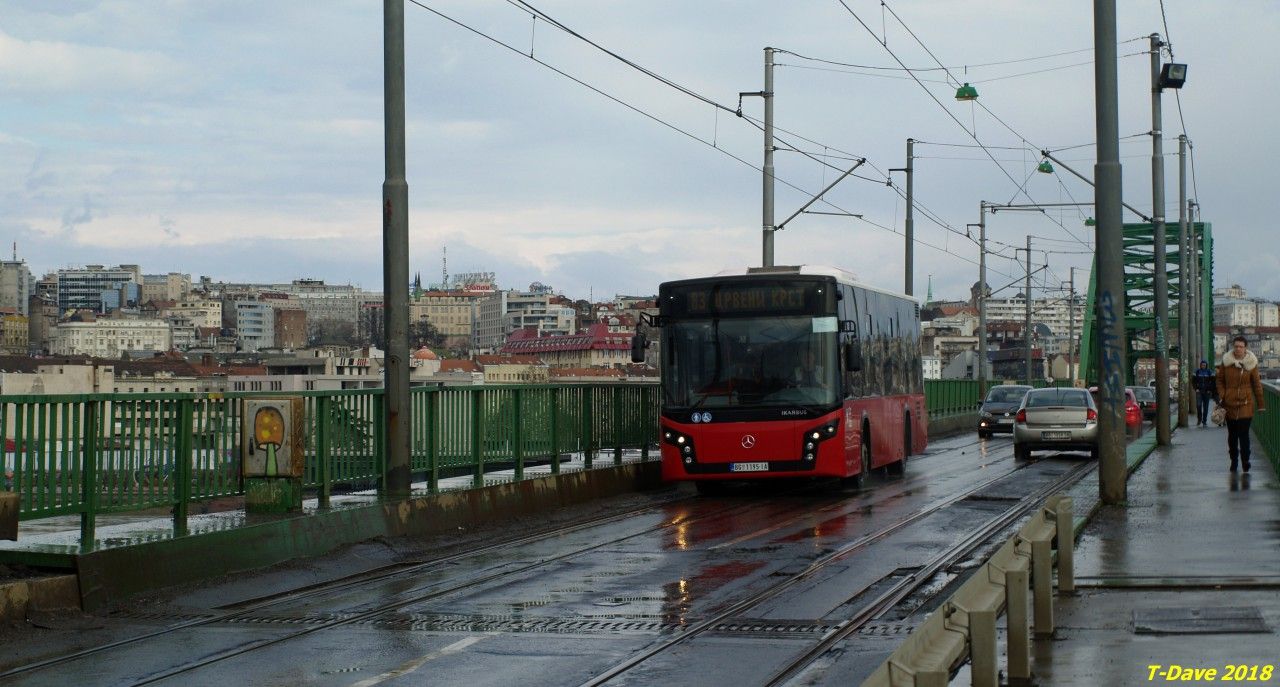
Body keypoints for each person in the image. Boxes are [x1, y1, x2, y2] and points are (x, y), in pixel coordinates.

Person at [1216, 336, 1266, 473]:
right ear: (1233, 347)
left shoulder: (1251, 363)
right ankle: (1234, 460)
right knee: (1232, 435)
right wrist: (1222, 395)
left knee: (1244, 435)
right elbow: (1219, 380)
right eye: (1236, 346)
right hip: (1229, 404)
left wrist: (1261, 404)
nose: (1238, 349)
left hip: (1246, 404)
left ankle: (1245, 460)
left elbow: (1256, 384)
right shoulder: (1226, 362)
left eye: (1241, 346)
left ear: (1245, 348)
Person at [1192, 359, 1217, 426]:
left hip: (1207, 392)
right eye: (1202, 365)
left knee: (1206, 407)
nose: (1203, 366)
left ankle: (1204, 421)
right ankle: (1199, 419)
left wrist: (1210, 389)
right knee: (1198, 406)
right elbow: (1193, 381)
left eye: (1204, 365)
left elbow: (1213, 381)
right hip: (1199, 391)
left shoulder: (1209, 372)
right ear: (1200, 365)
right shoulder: (1197, 371)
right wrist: (1196, 388)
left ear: (1206, 365)